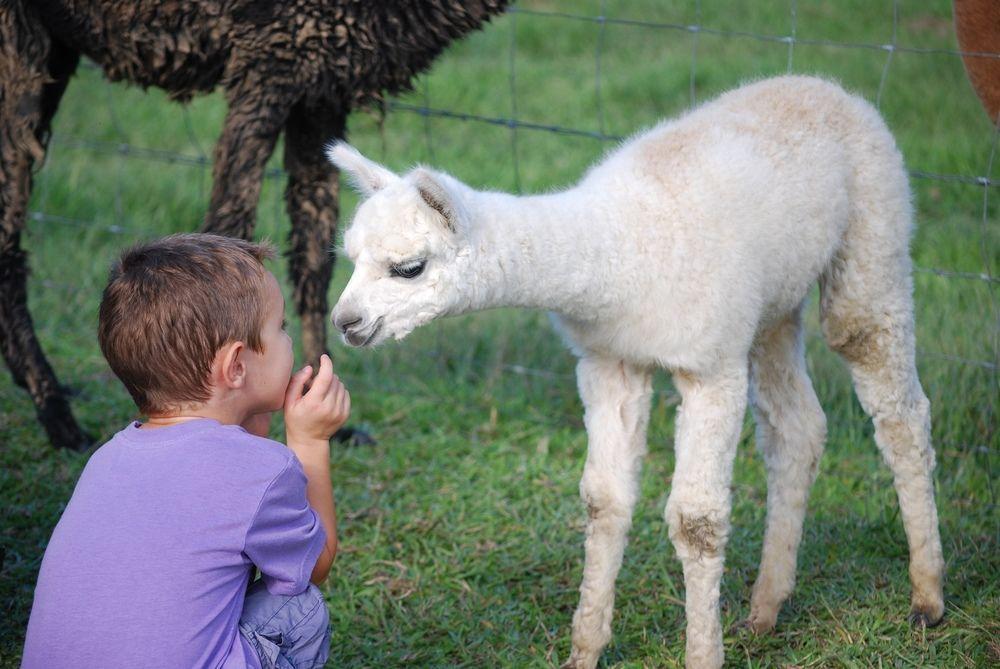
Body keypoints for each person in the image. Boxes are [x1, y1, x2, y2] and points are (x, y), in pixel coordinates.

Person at [22, 233, 349, 669]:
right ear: (236, 366)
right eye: (281, 328)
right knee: (301, 608)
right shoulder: (260, 472)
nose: (290, 341)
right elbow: (316, 563)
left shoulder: (107, 459)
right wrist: (311, 441)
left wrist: (251, 410)